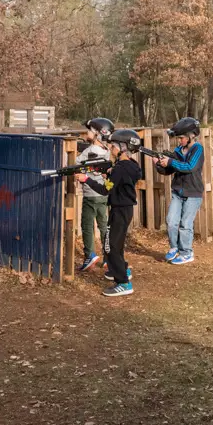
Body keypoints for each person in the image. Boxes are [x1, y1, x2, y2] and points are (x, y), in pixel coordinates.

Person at [76, 128, 142, 297]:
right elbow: (119, 179)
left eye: (114, 145)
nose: (111, 148)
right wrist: (109, 172)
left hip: (120, 211)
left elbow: (105, 190)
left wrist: (86, 179)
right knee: (115, 244)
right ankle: (120, 270)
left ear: (123, 147)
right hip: (123, 209)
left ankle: (123, 283)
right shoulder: (131, 166)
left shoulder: (120, 168)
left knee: (110, 245)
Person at [156, 117, 204, 266]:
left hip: (193, 193)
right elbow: (169, 170)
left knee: (185, 224)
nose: (180, 141)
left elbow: (190, 167)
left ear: (191, 135)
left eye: (182, 138)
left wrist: (170, 161)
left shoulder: (198, 149)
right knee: (171, 221)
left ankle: (186, 253)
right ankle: (175, 247)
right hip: (177, 191)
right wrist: (160, 164)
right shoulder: (177, 150)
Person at [77, 118, 114, 272]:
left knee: (86, 225)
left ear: (98, 134)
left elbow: (76, 163)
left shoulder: (89, 151)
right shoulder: (107, 152)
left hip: (90, 195)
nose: (87, 133)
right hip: (103, 195)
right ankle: (108, 257)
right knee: (104, 226)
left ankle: (89, 255)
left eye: (90, 130)